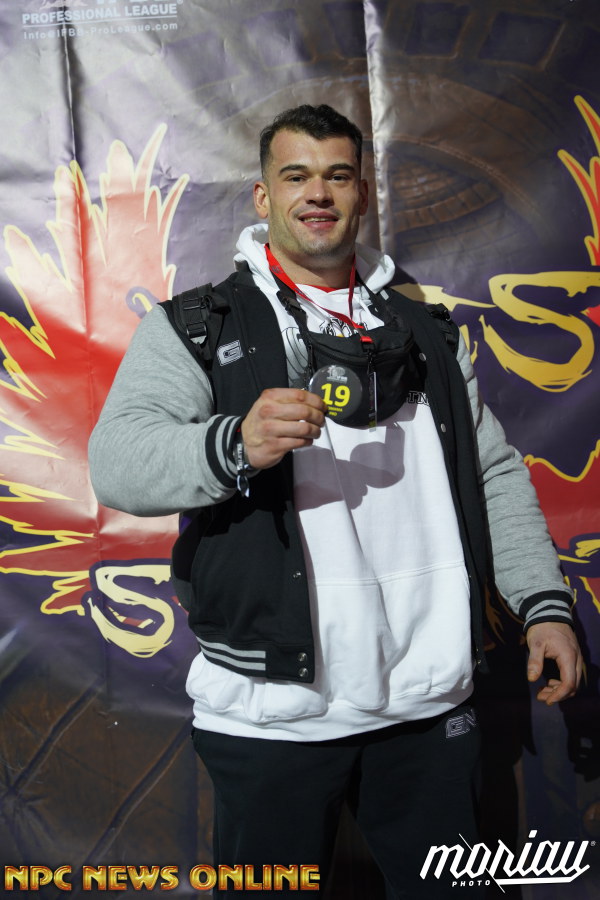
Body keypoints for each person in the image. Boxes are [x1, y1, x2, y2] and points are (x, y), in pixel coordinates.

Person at [89, 104, 582, 898]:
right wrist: (233, 443)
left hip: (429, 705)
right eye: (296, 176)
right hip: (270, 715)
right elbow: (116, 464)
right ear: (264, 197)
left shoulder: (426, 330)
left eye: (337, 176)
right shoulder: (200, 326)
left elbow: (492, 474)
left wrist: (543, 606)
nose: (317, 193)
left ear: (362, 194)